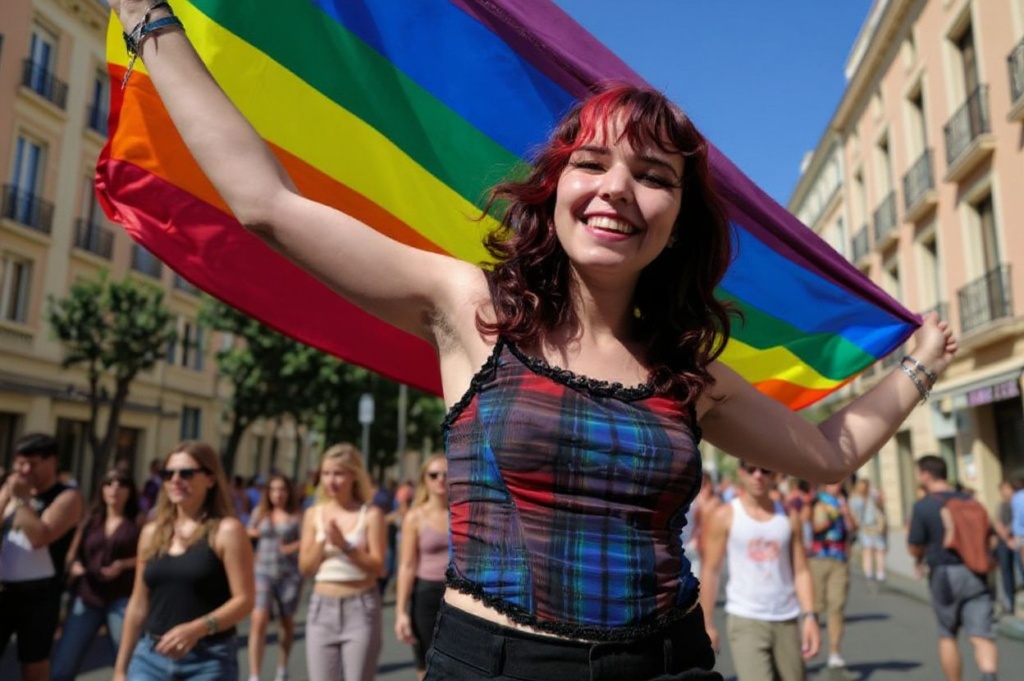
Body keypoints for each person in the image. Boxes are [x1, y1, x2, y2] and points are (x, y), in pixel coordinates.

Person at [106, 4, 958, 677]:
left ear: (678, 222)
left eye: (654, 177)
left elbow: (825, 450)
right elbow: (268, 203)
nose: (618, 188)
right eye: (593, 164)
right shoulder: (468, 307)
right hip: (496, 666)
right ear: (556, 187)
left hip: (670, 663)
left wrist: (921, 363)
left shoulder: (688, 371)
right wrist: (149, 18)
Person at [113, 441, 255, 681]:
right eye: (168, 474)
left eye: (186, 473)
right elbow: (138, 603)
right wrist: (120, 669)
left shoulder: (227, 531)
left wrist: (196, 629)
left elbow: (245, 600)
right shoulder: (151, 532)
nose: (175, 480)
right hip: (149, 658)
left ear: (210, 479)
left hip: (207, 660)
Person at [700, 462, 819, 681]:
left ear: (775, 474)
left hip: (786, 618)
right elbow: (711, 570)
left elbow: (801, 570)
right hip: (746, 618)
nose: (758, 475)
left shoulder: (788, 516)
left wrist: (810, 615)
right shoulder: (725, 515)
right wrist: (707, 623)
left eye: (765, 470)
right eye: (750, 469)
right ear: (740, 472)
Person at [298, 444, 386, 681]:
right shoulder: (313, 514)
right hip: (321, 608)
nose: (331, 480)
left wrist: (344, 545)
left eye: (338, 473)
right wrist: (323, 543)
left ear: (354, 475)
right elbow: (305, 568)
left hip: (360, 606)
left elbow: (379, 567)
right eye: (326, 473)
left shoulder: (370, 515)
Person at [0, 433, 83, 681]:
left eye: (32, 464)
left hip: (40, 594)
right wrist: (7, 496)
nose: (25, 471)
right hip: (4, 590)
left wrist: (23, 499)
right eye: (20, 464)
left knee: (34, 665)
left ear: (53, 461)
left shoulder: (67, 496)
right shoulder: (11, 491)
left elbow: (41, 537)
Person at [908, 455, 999, 681]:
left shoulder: (924, 506)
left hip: (944, 574)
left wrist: (918, 559)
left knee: (947, 634)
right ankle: (989, 674)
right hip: (976, 572)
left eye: (918, 472)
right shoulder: (972, 502)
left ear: (926, 475)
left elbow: (914, 546)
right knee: (982, 635)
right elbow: (991, 539)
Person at [51, 468, 141, 681]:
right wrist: (75, 567)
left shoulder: (138, 522)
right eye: (109, 484)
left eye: (121, 485)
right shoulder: (91, 520)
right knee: (63, 666)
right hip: (88, 595)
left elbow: (149, 557)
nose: (114, 490)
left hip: (122, 597)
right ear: (102, 489)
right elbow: (72, 554)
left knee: (127, 664)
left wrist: (123, 565)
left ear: (130, 491)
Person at [395, 454, 450, 680]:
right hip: (426, 595)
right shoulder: (415, 517)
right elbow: (407, 566)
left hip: (459, 597)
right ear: (424, 480)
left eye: (446, 474)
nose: (440, 479)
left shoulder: (462, 514)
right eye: (434, 475)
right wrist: (400, 612)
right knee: (427, 665)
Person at [247, 473, 303, 681]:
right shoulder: (260, 513)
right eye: (273, 490)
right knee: (258, 618)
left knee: (286, 621)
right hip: (262, 571)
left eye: (282, 490)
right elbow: (248, 531)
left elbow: (307, 541)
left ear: (289, 492)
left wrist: (291, 547)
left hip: (288, 573)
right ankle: (254, 674)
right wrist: (254, 534)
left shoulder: (296, 516)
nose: (278, 494)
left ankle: (282, 666)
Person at [807, 480, 856, 669]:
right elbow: (813, 528)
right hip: (819, 558)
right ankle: (811, 644)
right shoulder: (817, 502)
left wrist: (846, 513)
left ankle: (835, 651)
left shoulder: (843, 503)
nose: (836, 486)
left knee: (837, 606)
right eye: (832, 483)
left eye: (838, 483)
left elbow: (853, 527)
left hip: (840, 559)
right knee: (816, 606)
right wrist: (832, 516)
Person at [849, 478, 887, 583]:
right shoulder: (856, 499)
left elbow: (882, 502)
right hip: (864, 528)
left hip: (876, 526)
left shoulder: (872, 497)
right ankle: (869, 573)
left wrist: (879, 495)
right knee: (868, 550)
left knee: (879, 549)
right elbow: (854, 513)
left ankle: (880, 573)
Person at [994, 479, 1020, 615]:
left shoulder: (1018, 503)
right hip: (1003, 542)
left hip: (1016, 540)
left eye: (1006, 488)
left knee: (1020, 569)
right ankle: (1009, 602)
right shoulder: (1000, 505)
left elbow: (1017, 520)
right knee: (1006, 572)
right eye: (1002, 489)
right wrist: (1003, 534)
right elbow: (997, 521)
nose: (1004, 491)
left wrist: (1009, 531)